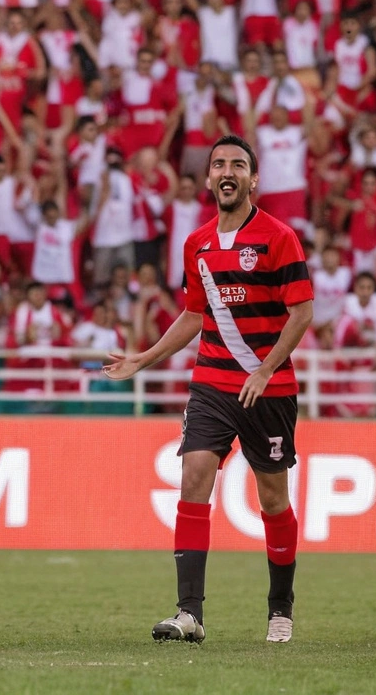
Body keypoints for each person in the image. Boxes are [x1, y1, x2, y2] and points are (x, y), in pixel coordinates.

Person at [103, 135, 314, 645]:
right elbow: (195, 315)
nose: (227, 171)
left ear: (252, 179)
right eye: (218, 163)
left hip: (268, 390)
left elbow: (302, 312)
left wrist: (264, 369)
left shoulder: (278, 237)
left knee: (271, 498)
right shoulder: (195, 243)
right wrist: (145, 357)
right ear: (208, 178)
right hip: (213, 383)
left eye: (237, 165)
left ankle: (280, 607)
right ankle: (189, 613)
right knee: (194, 473)